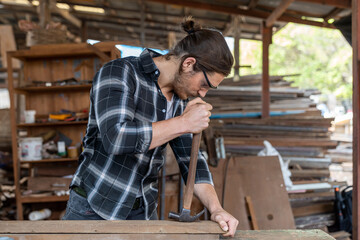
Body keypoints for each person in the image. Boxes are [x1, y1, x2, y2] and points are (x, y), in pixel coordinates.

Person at [62, 16, 239, 237]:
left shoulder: (181, 98)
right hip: (94, 207)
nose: (202, 94)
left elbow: (191, 161)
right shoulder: (119, 72)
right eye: (204, 85)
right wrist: (184, 122)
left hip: (142, 211)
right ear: (188, 63)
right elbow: (116, 138)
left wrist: (216, 209)